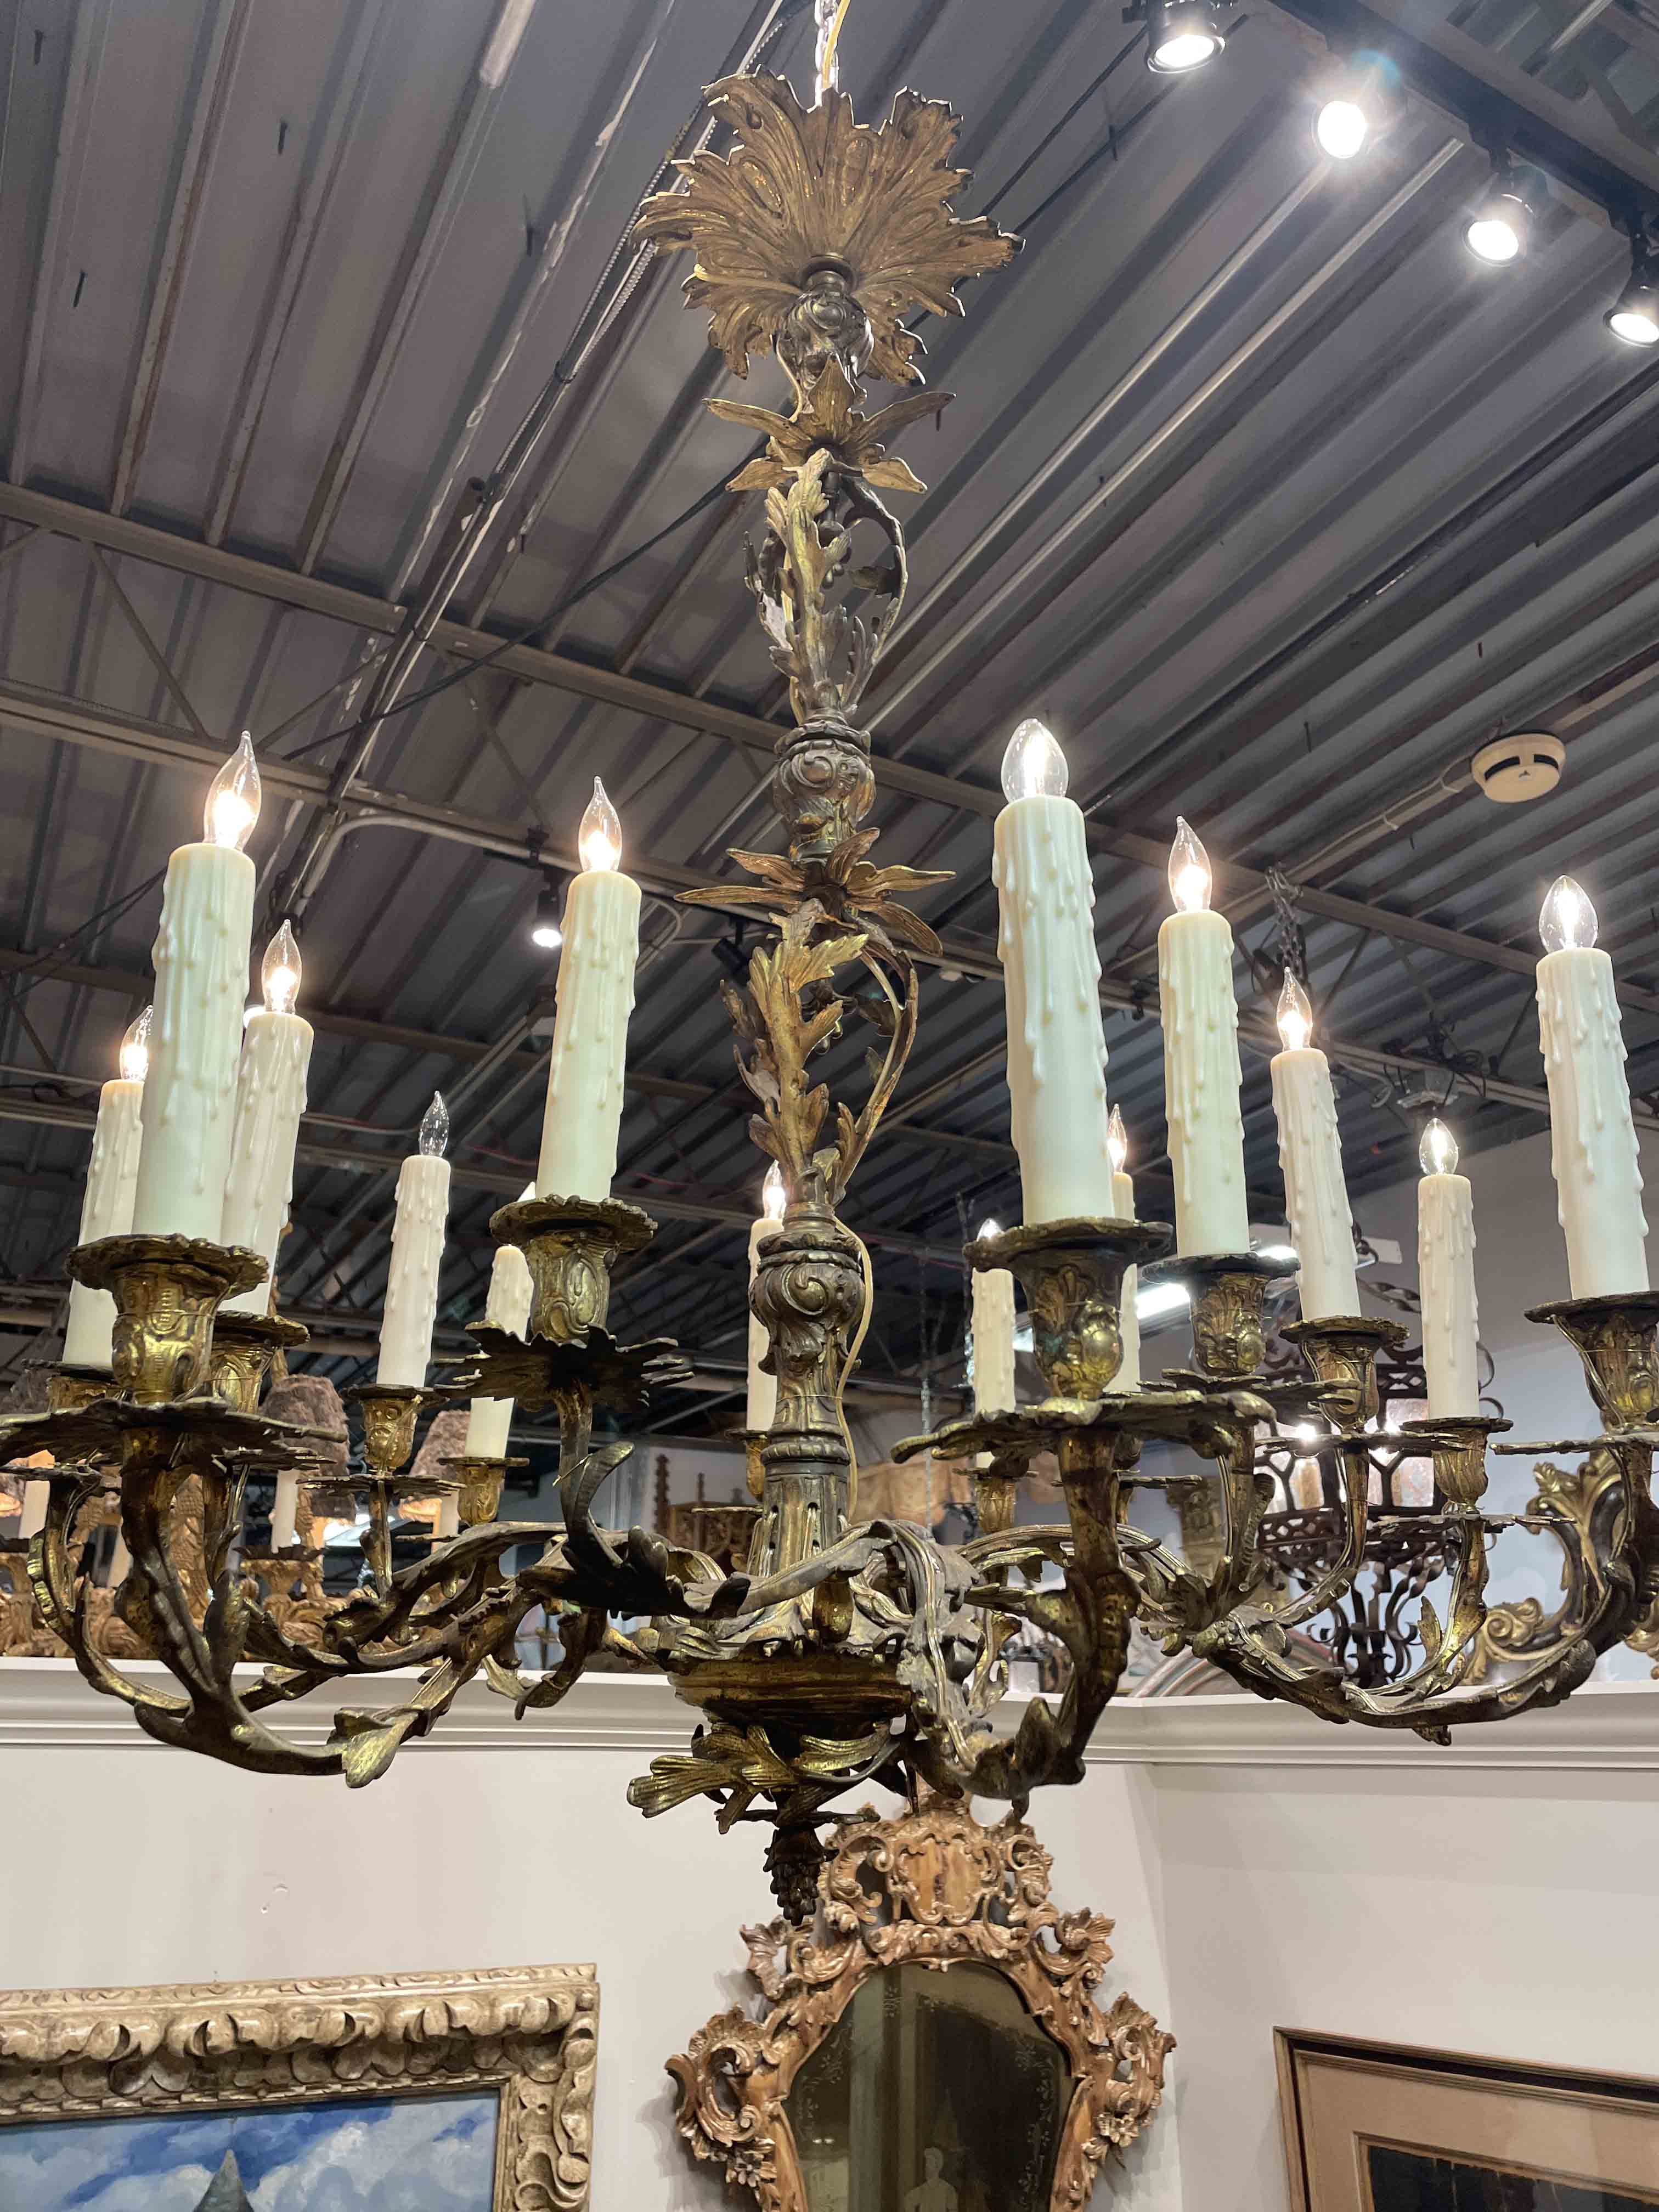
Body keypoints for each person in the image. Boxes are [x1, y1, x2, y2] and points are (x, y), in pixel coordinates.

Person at [904, 2146, 957, 2212]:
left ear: (937, 2165)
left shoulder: (948, 2189)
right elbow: (908, 2200)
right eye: (926, 2162)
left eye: (930, 2162)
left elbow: (953, 2210)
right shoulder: (922, 2189)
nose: (927, 2165)